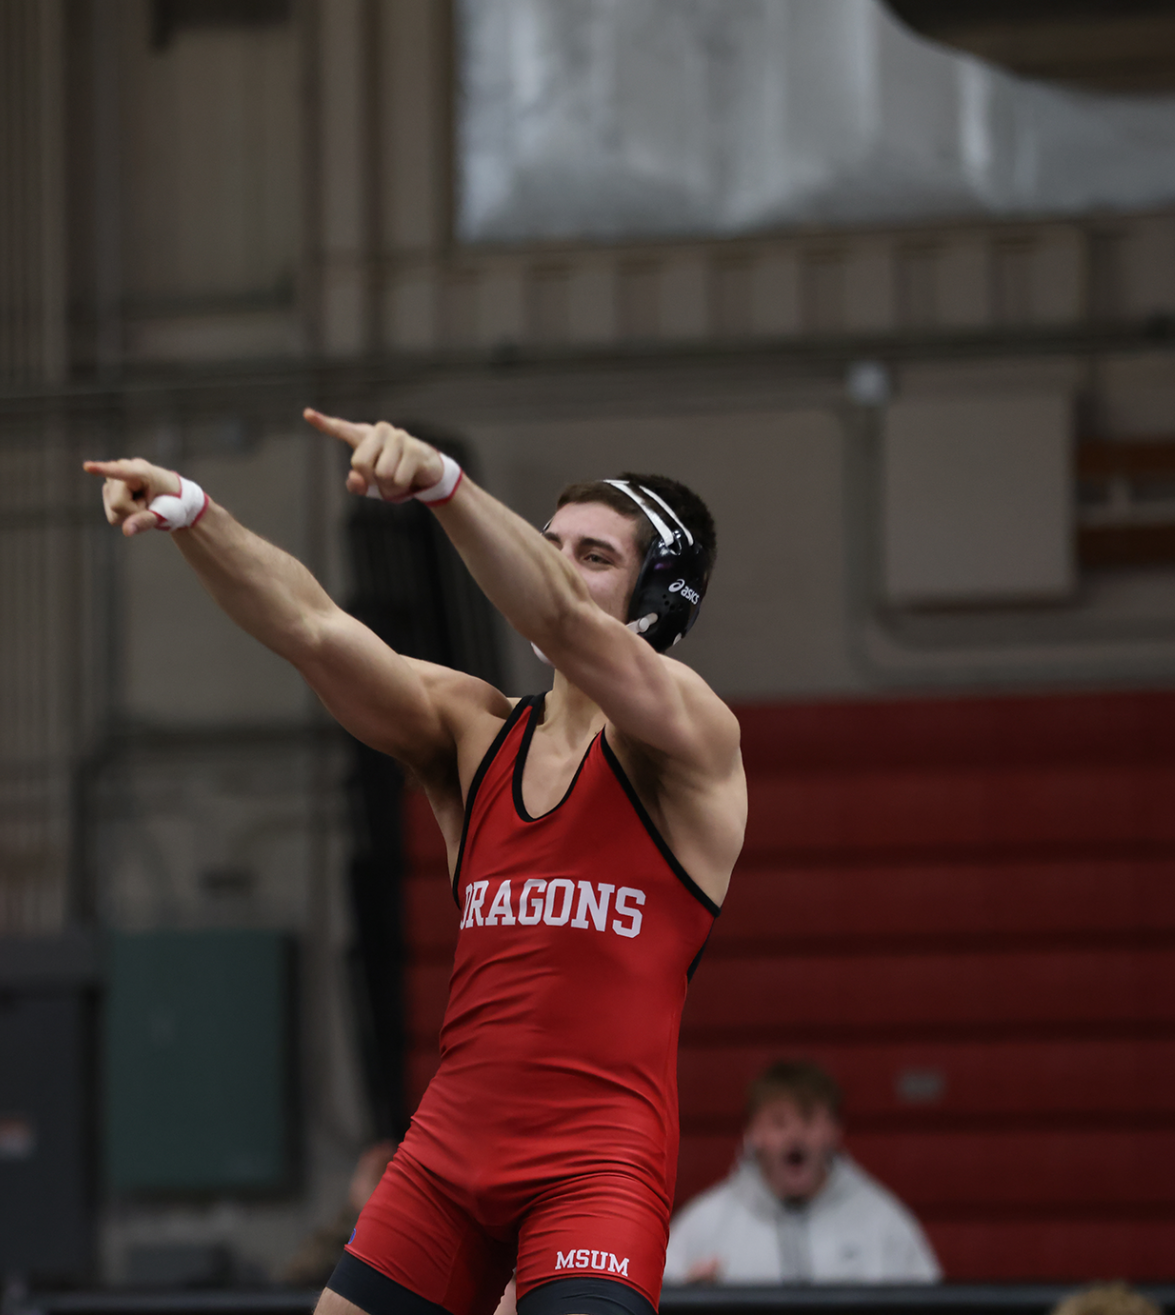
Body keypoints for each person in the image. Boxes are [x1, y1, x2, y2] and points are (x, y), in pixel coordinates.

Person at [86, 411, 746, 1315]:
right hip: (448, 1156)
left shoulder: (690, 739)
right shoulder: (474, 733)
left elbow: (552, 610)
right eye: (549, 543)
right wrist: (195, 514)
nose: (555, 566)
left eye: (593, 556)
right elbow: (315, 631)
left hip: (594, 1166)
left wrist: (441, 483)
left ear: (657, 600)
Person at [662, 1059, 938, 1283]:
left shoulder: (883, 1221)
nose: (794, 1135)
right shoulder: (705, 1225)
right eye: (779, 1122)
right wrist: (689, 1298)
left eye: (808, 1120)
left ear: (834, 1130)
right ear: (753, 1132)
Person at [283, 1143, 399, 1289]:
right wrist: (360, 1212)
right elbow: (295, 1278)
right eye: (371, 1174)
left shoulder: (409, 1239)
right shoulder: (334, 1238)